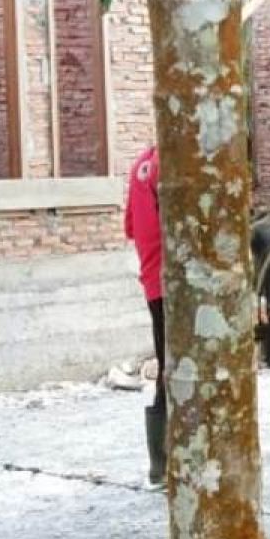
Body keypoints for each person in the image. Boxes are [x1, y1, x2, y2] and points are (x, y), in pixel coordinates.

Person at [124, 144, 166, 487]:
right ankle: (166, 463)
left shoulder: (141, 163)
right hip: (175, 284)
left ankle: (160, 464)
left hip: (153, 278)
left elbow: (130, 227)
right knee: (178, 368)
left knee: (168, 364)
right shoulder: (171, 164)